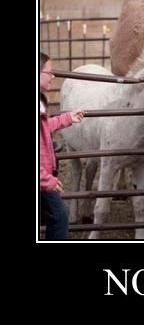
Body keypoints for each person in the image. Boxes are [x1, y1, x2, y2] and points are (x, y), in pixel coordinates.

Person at [40, 52, 85, 239]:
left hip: (43, 177)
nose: (53, 76)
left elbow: (43, 127)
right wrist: (46, 180)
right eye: (49, 72)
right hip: (42, 179)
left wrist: (67, 118)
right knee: (59, 217)